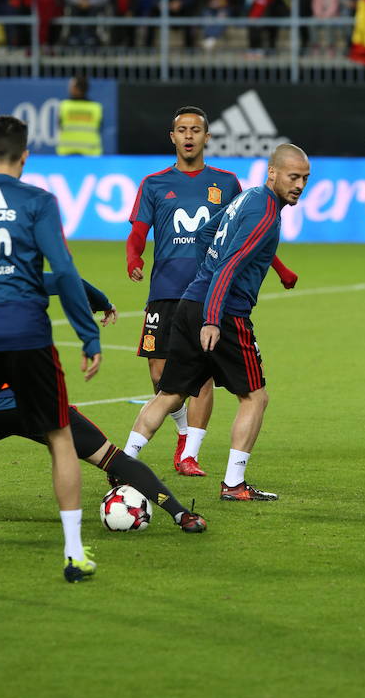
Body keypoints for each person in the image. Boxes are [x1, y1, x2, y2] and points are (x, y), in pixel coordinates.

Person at [0, 116, 101, 585]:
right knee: (59, 438)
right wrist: (88, 336)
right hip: (29, 335)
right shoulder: (37, 201)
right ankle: (73, 553)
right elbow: (65, 270)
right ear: (25, 156)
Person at [0, 260, 206, 536]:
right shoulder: (10, 279)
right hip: (36, 400)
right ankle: (182, 515)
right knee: (111, 458)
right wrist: (101, 302)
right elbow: (68, 279)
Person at [123, 143, 310, 501]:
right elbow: (230, 264)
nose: (299, 184)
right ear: (272, 173)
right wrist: (212, 317)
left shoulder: (248, 198)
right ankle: (234, 484)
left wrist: (203, 276)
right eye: (292, 176)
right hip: (223, 313)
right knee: (255, 397)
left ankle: (124, 464)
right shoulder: (266, 212)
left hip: (191, 300)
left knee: (169, 393)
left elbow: (208, 234)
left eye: (304, 178)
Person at [56, 76, 103, 157]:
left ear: (77, 89)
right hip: (91, 153)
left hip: (67, 153)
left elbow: (59, 126)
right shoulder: (96, 108)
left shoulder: (64, 106)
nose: (69, 88)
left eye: (72, 86)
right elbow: (99, 128)